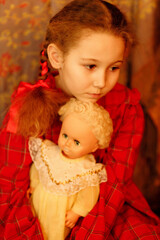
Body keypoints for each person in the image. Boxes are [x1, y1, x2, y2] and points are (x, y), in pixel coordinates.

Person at [0, 0, 160, 239]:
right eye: (90, 66)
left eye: (114, 68)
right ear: (56, 57)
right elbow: (10, 189)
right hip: (40, 208)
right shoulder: (26, 107)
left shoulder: (126, 107)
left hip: (107, 205)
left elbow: (114, 184)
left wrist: (88, 234)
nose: (102, 82)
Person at [28, 97, 113, 240]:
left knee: (53, 233)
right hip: (38, 202)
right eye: (65, 135)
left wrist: (77, 212)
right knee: (35, 227)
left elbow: (87, 196)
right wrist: (34, 184)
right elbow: (38, 169)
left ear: (94, 147)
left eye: (77, 142)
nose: (67, 143)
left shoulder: (86, 169)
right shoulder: (49, 152)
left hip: (60, 214)